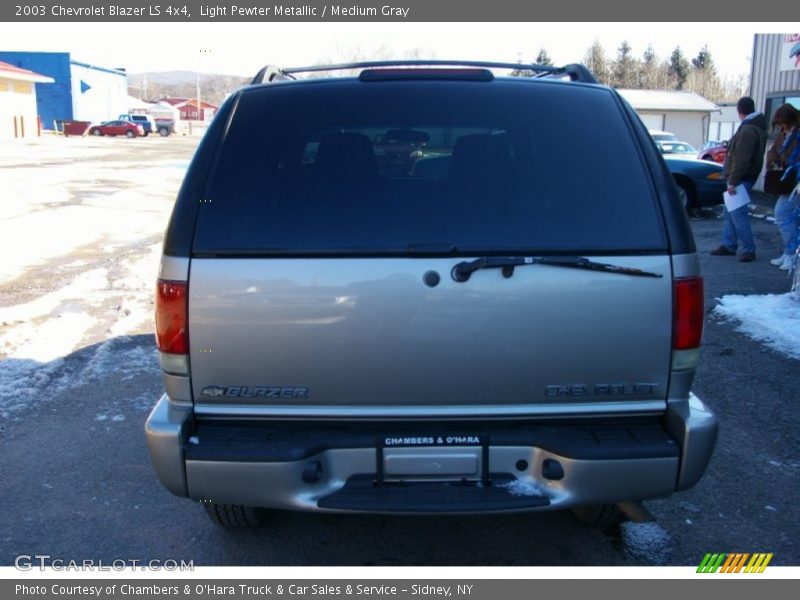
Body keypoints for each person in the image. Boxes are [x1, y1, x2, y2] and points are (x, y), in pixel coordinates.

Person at [711, 97, 769, 262]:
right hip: (744, 178)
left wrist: (733, 181)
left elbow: (741, 159)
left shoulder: (748, 130)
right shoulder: (755, 128)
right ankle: (729, 245)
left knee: (738, 215)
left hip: (740, 179)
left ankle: (748, 249)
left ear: (739, 110)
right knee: (729, 213)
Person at [765, 103, 800, 271]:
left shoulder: (797, 135)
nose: (782, 127)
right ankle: (789, 252)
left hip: (796, 183)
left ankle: (792, 254)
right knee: (788, 218)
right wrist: (774, 161)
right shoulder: (783, 135)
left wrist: (786, 162)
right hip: (787, 183)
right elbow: (772, 152)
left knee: (782, 214)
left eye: (784, 123)